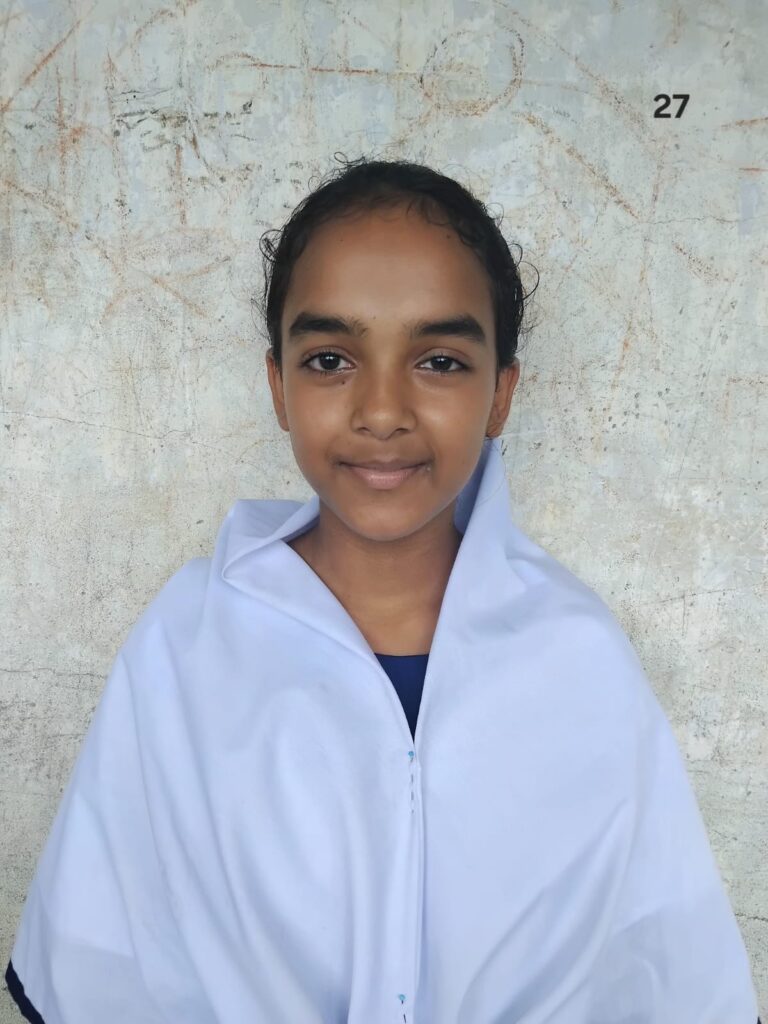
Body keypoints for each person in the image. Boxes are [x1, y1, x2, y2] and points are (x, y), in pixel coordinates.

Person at [4, 157, 761, 1023]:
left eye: (439, 361)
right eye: (330, 359)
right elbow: (117, 948)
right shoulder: (188, 645)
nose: (382, 410)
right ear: (277, 387)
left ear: (501, 395)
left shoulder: (579, 661)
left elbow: (655, 960)